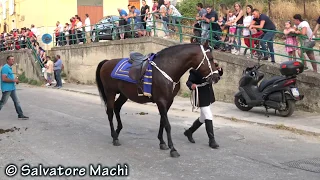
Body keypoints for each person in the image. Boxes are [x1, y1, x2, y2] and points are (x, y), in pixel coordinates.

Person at [184, 63, 223, 149]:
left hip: (208, 94)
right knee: (208, 116)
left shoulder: (209, 67)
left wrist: (219, 70)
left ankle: (189, 132)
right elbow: (188, 81)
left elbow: (217, 76)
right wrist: (191, 85)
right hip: (201, 95)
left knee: (203, 118)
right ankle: (211, 140)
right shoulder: (195, 71)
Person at [0, 55, 29, 120]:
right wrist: (14, 80)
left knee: (17, 101)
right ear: (7, 60)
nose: (13, 60)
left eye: (13, 59)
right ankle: (20, 115)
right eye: (11, 59)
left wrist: (16, 80)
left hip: (12, 88)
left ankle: (20, 115)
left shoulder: (9, 68)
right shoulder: (5, 68)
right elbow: (4, 79)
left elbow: (10, 78)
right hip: (7, 89)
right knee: (2, 102)